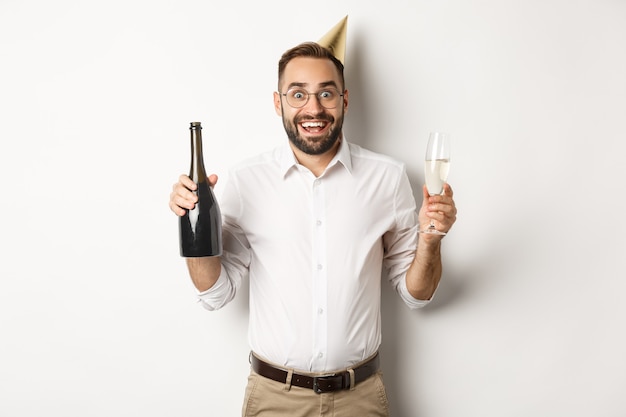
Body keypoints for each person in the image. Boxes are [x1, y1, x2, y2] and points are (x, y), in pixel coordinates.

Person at [169, 41, 457, 417]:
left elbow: (416, 294)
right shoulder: (246, 180)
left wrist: (431, 241)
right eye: (298, 94)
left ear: (345, 99)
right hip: (274, 399)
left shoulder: (387, 177)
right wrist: (192, 225)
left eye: (326, 93)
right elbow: (217, 293)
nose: (314, 108)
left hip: (361, 399)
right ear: (278, 103)